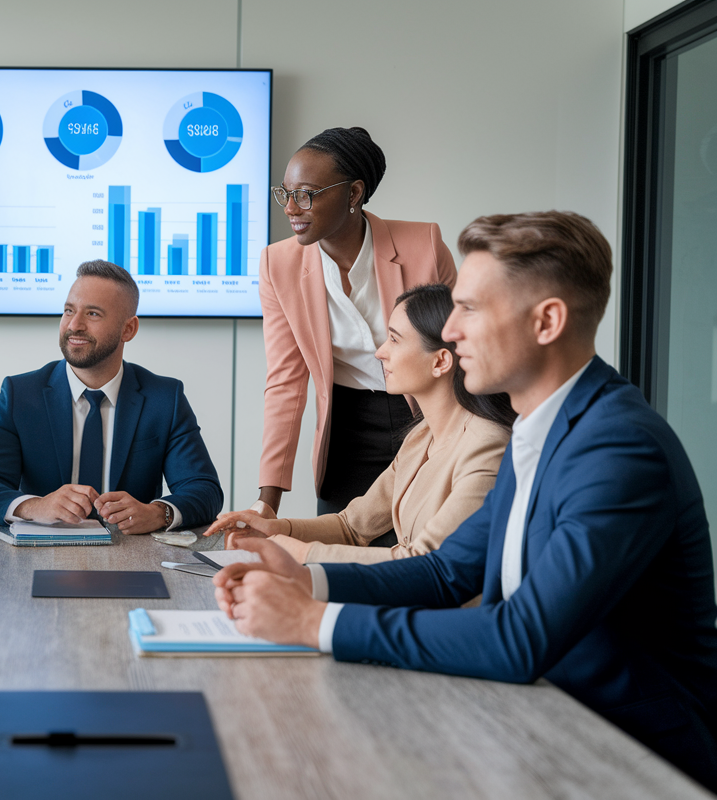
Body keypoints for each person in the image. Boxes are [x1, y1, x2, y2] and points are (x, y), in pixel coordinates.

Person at [213, 211, 717, 791]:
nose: (450, 331)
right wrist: (309, 582)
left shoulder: (619, 447)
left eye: (470, 309)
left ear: (547, 321)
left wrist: (312, 621)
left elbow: (519, 637)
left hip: (623, 757)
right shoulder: (541, 428)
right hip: (534, 724)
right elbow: (449, 572)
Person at [206, 283, 514, 563]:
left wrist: (296, 552)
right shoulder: (422, 436)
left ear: (440, 362)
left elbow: (424, 562)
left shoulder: (487, 447)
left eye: (394, 339)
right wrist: (274, 530)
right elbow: (351, 526)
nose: (380, 352)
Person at [255, 127, 458, 536]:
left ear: (353, 194)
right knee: (340, 552)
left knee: (421, 558)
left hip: (428, 418)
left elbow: (464, 350)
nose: (291, 208)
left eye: (307, 194)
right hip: (345, 430)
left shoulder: (424, 245)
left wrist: (470, 440)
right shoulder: (278, 264)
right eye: (285, 193)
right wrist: (267, 501)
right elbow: (285, 382)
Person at [0, 260, 223, 532]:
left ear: (129, 329)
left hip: (134, 560)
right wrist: (34, 506)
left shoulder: (164, 399)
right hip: (41, 556)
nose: (74, 325)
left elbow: (203, 489)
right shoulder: (20, 395)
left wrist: (159, 513)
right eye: (69, 311)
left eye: (93, 314)